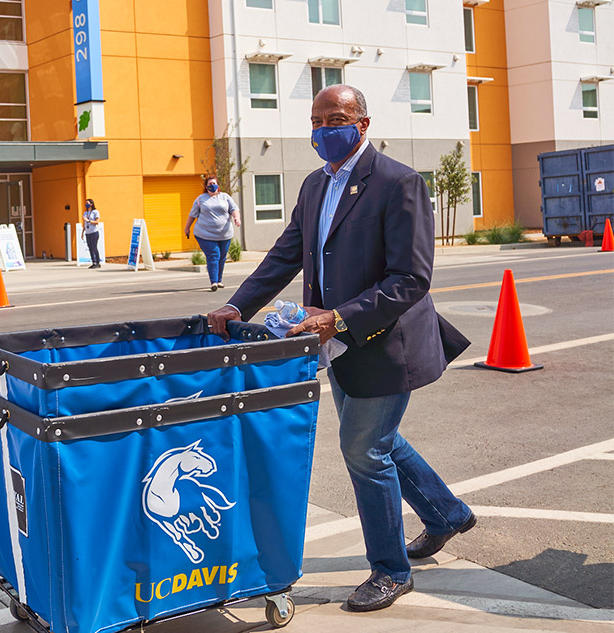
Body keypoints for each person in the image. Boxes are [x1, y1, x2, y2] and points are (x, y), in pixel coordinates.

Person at [206, 85, 474, 613]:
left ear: (363, 124)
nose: (325, 129)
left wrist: (340, 318)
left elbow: (411, 279)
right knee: (377, 440)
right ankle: (446, 514)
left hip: (383, 339)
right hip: (334, 344)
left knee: (362, 448)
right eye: (317, 120)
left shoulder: (399, 183)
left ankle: (390, 571)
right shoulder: (313, 185)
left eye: (337, 118)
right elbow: (286, 255)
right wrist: (239, 306)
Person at [184, 177, 241, 292]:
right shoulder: (201, 199)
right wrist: (187, 228)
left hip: (225, 234)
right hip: (205, 234)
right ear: (206, 186)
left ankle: (219, 280)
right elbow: (192, 215)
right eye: (210, 183)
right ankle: (213, 282)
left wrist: (236, 217)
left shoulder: (225, 197)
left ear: (218, 185)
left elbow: (234, 209)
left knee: (222, 257)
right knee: (214, 255)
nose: (212, 185)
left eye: (214, 183)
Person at [83, 198, 102, 268]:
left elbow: (97, 222)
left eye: (87, 203)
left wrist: (88, 221)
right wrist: (82, 232)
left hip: (94, 232)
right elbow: (84, 224)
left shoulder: (95, 212)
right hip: (88, 233)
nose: (86, 204)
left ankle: (97, 262)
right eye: (85, 203)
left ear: (91, 204)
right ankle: (93, 261)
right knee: (90, 247)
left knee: (94, 247)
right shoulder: (85, 213)